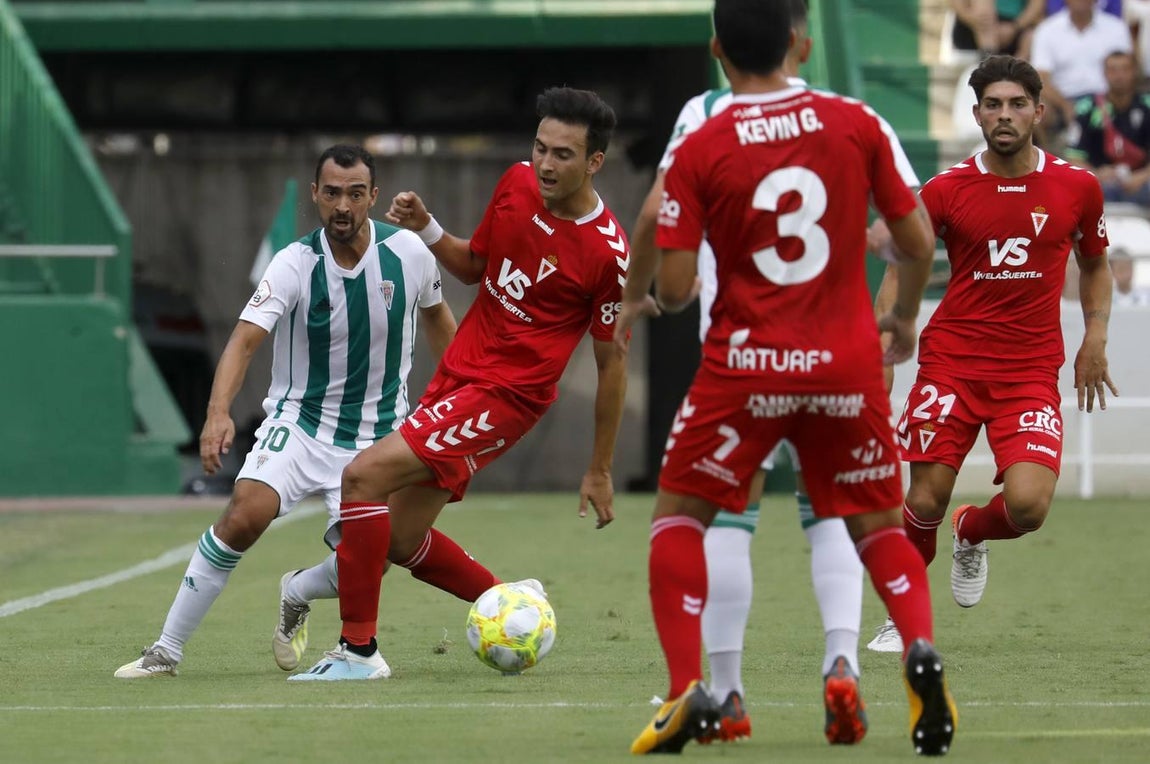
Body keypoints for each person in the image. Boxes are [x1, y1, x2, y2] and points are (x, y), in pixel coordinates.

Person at [620, 0, 956, 755]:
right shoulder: (855, 121)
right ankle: (912, 651)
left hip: (742, 366)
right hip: (843, 363)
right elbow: (916, 239)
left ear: (715, 47)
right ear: (800, 41)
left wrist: (658, 294)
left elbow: (674, 286)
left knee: (687, 518)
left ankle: (691, 691)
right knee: (867, 518)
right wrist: (900, 318)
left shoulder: (703, 138)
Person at [289, 87, 631, 681]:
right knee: (398, 538)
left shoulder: (608, 254)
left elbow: (613, 365)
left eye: (564, 155)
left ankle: (358, 652)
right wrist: (428, 228)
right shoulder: (517, 184)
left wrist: (600, 467)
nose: (546, 164)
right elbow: (476, 265)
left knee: (362, 477)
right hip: (458, 376)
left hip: (505, 398)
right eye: (541, 148)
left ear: (594, 162)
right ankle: (511, 597)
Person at [115, 144, 461, 678]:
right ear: (316, 195)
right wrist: (217, 413)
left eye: (354, 193)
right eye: (330, 193)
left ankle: (298, 588)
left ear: (372, 195)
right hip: (300, 424)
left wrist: (462, 393)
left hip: (380, 435)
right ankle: (165, 650)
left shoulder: (411, 254)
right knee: (243, 515)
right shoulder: (295, 262)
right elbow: (245, 340)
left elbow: (439, 321)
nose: (341, 205)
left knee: (374, 560)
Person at [866, 55, 1118, 654]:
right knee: (924, 497)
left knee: (1029, 506)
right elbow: (900, 265)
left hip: (1030, 370)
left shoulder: (1077, 186)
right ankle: (902, 616)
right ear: (977, 113)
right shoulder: (947, 190)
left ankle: (971, 533)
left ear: (1037, 110)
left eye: (1016, 104)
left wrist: (1096, 336)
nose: (1004, 116)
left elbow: (1096, 263)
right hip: (952, 362)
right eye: (992, 105)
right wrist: (886, 338)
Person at [1029, 0, 1132, 146]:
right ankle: (1047, 159)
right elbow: (1041, 77)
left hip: (1108, 99)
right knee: (1036, 111)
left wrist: (1106, 102)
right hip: (1063, 100)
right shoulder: (1047, 29)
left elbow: (1126, 70)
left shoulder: (1116, 27)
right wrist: (1065, 105)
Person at [1065, 51, 1150, 205]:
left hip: (1142, 182)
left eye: (1125, 69)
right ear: (1104, 73)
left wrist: (1141, 177)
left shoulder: (1147, 106)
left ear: (1134, 72)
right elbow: (1074, 157)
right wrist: (1097, 174)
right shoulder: (1087, 108)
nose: (1119, 76)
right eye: (1113, 70)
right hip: (1101, 181)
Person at [951, 0, 1046, 57]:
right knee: (983, 5)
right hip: (975, 27)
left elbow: (1036, 6)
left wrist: (1014, 27)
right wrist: (972, 20)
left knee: (1033, 32)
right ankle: (988, 59)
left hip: (1016, 26)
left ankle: (1016, 73)